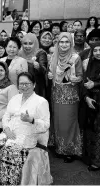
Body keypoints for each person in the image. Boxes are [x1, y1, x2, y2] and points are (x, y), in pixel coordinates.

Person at [0, 72, 51, 185]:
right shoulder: (15, 98)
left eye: (27, 83)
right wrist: (6, 129)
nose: (24, 86)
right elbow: (6, 115)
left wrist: (31, 120)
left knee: (9, 152)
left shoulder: (41, 102)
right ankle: (0, 180)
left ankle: (10, 182)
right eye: (21, 84)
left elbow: (46, 125)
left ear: (34, 84)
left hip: (27, 134)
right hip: (10, 131)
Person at [48, 32, 83, 163]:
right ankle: (58, 146)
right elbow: (50, 72)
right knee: (57, 120)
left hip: (70, 95)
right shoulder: (53, 57)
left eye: (66, 42)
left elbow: (80, 76)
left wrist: (77, 78)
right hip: (56, 93)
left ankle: (69, 150)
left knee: (68, 122)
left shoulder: (76, 58)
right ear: (57, 43)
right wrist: (50, 75)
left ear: (71, 43)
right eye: (61, 42)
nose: (64, 44)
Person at [81, 43, 100, 171]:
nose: (98, 53)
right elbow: (85, 82)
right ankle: (90, 158)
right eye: (95, 51)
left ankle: (97, 161)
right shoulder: (90, 64)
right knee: (90, 129)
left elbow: (92, 83)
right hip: (91, 100)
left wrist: (95, 84)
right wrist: (86, 98)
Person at [19, 33, 48, 98]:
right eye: (25, 43)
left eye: (30, 43)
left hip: (37, 87)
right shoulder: (20, 54)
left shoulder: (40, 53)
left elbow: (44, 70)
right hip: (22, 86)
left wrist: (38, 67)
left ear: (35, 43)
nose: (27, 46)